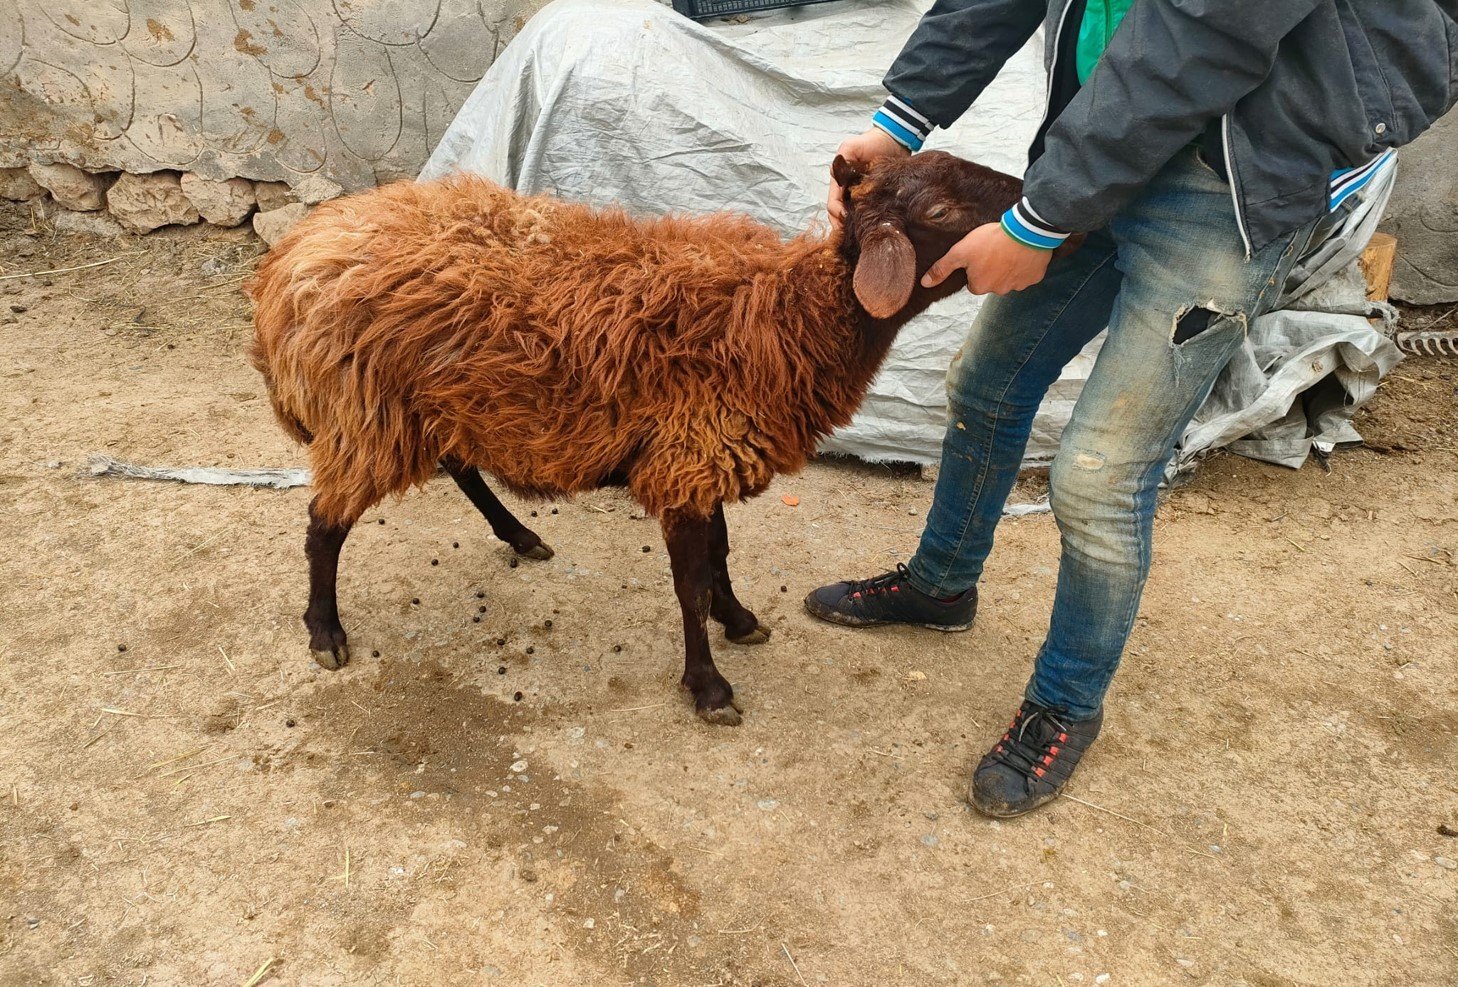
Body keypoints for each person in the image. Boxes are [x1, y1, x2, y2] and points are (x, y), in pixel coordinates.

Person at [805, 0, 1457, 818]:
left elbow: (1204, 31)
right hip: (1097, 150)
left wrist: (1039, 223)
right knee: (986, 384)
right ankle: (941, 586)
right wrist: (900, 119)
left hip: (1226, 190)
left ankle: (1067, 701)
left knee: (1101, 474)